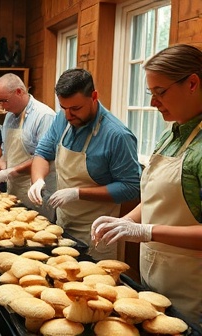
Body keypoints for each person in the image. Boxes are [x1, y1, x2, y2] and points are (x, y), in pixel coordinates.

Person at [92, 44, 202, 324]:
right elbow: (156, 198)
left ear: (192, 83)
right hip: (155, 278)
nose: (154, 103)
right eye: (150, 94)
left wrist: (146, 230)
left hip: (192, 290)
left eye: (160, 92)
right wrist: (126, 221)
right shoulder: (172, 134)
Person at [28, 68, 141, 260]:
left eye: (76, 108)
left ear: (94, 96)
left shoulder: (117, 136)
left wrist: (77, 193)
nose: (69, 115)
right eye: (64, 108)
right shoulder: (62, 120)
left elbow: (131, 187)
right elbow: (42, 153)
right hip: (64, 224)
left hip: (97, 231)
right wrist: (38, 179)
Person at [0, 74, 57, 222]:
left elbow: (44, 157)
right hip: (15, 189)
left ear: (19, 92)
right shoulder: (10, 116)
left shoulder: (44, 116)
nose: (2, 106)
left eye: (4, 101)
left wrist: (10, 172)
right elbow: (7, 152)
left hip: (37, 191)